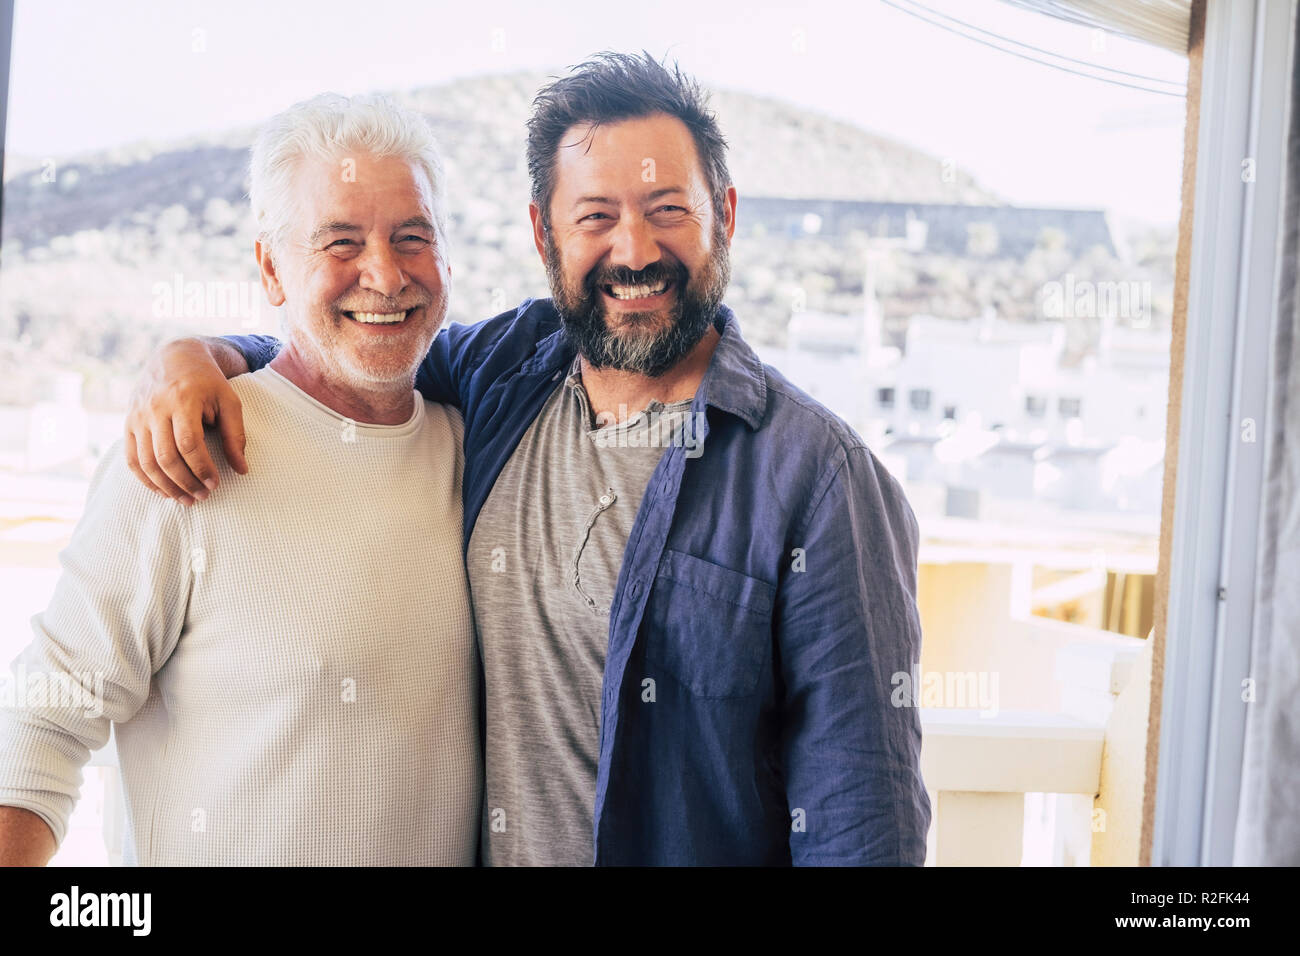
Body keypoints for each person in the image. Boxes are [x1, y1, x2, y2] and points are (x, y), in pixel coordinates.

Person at [125, 52, 931, 866]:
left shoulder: (821, 479)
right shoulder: (504, 368)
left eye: (668, 210)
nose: (636, 249)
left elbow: (865, 821)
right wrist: (192, 355)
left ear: (723, 213)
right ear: (543, 231)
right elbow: (347, 344)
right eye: (596, 218)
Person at [0, 93, 480, 866]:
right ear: (271, 267)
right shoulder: (186, 451)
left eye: (412, 237)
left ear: (447, 256)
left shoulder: (475, 454)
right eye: (341, 241)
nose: (385, 274)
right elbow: (41, 726)